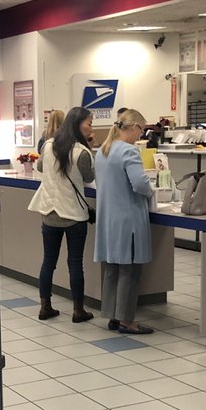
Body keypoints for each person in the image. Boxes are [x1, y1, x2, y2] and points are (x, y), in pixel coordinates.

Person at [28, 106, 95, 322]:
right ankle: (78, 310)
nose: (91, 128)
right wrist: (90, 147)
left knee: (48, 261)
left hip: (50, 212)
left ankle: (45, 307)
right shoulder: (81, 152)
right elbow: (89, 177)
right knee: (75, 263)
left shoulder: (48, 145)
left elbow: (40, 167)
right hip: (74, 215)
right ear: (78, 124)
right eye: (89, 123)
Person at [94, 108, 155, 334]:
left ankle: (112, 315)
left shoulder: (103, 151)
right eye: (142, 129)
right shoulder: (129, 151)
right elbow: (139, 184)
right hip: (128, 219)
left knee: (112, 268)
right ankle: (127, 320)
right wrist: (151, 190)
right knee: (129, 270)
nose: (142, 134)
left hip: (108, 218)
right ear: (133, 127)